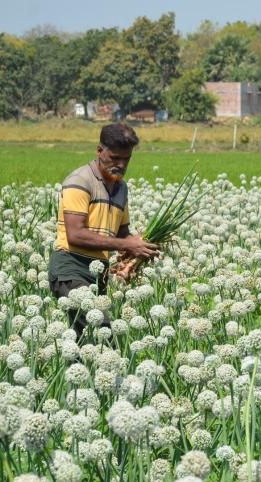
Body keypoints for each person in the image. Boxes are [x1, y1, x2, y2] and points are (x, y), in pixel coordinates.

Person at [48, 123, 158, 340]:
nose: (121, 165)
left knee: (83, 341)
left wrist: (143, 246)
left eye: (126, 159)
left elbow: (122, 234)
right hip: (70, 269)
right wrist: (127, 244)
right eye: (115, 158)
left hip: (99, 274)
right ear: (99, 151)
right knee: (103, 333)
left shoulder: (121, 188)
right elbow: (75, 234)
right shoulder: (79, 182)